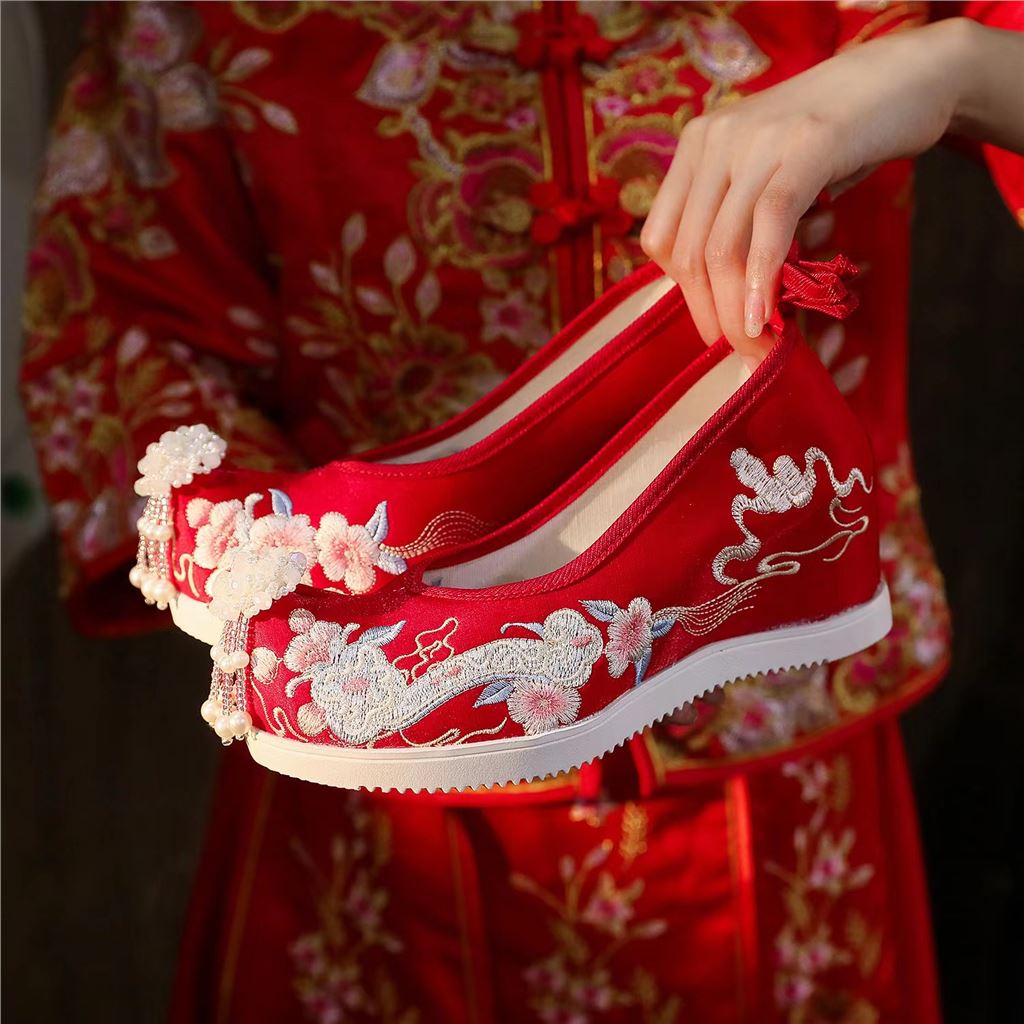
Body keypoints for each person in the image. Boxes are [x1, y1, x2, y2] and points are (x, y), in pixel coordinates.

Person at [20, 3, 1022, 1021]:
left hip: (781, 778)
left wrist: (954, 67)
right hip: (379, 754)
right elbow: (121, 310)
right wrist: (281, 559)